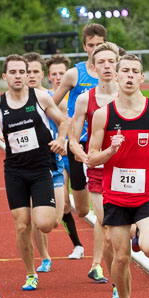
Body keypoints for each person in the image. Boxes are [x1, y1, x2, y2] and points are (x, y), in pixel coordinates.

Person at [87, 54, 149, 298]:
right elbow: (91, 157)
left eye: (134, 71)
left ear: (141, 78)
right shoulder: (104, 115)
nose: (128, 75)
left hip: (148, 192)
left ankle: (139, 234)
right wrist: (111, 150)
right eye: (123, 70)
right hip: (116, 195)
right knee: (120, 256)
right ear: (116, 76)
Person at [0, 54, 67, 290]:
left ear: (27, 75)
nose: (18, 76)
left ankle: (40, 222)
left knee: (45, 224)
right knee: (22, 225)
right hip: (15, 171)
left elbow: (64, 121)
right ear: (5, 76)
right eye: (12, 72)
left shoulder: (41, 97)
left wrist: (61, 140)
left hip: (41, 169)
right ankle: (30, 273)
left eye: (21, 72)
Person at [52, 23, 109, 283]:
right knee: (83, 209)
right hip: (79, 146)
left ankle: (99, 260)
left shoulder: (114, 72)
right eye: (90, 46)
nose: (95, 50)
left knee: (104, 209)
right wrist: (61, 129)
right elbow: (51, 103)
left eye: (99, 45)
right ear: (84, 46)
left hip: (105, 146)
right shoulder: (75, 75)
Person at [70, 42, 122, 298]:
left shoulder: (130, 94)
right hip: (98, 170)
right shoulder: (84, 100)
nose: (106, 67)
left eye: (111, 62)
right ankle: (116, 282)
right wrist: (82, 156)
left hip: (128, 170)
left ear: (118, 64)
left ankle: (132, 241)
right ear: (92, 68)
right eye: (100, 63)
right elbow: (73, 138)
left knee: (126, 233)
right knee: (108, 228)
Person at [23, 52, 66, 273]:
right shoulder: (16, 99)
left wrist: (63, 141)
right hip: (30, 166)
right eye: (27, 71)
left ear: (42, 74)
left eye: (34, 72)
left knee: (55, 221)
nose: (30, 75)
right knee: (37, 219)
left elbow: (66, 121)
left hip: (56, 164)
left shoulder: (52, 97)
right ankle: (45, 257)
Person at [45, 55, 85, 260]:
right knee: (65, 205)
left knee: (84, 206)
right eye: (54, 74)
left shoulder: (80, 93)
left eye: (62, 73)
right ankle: (77, 245)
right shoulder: (49, 100)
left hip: (80, 150)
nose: (58, 77)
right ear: (49, 77)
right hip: (62, 154)